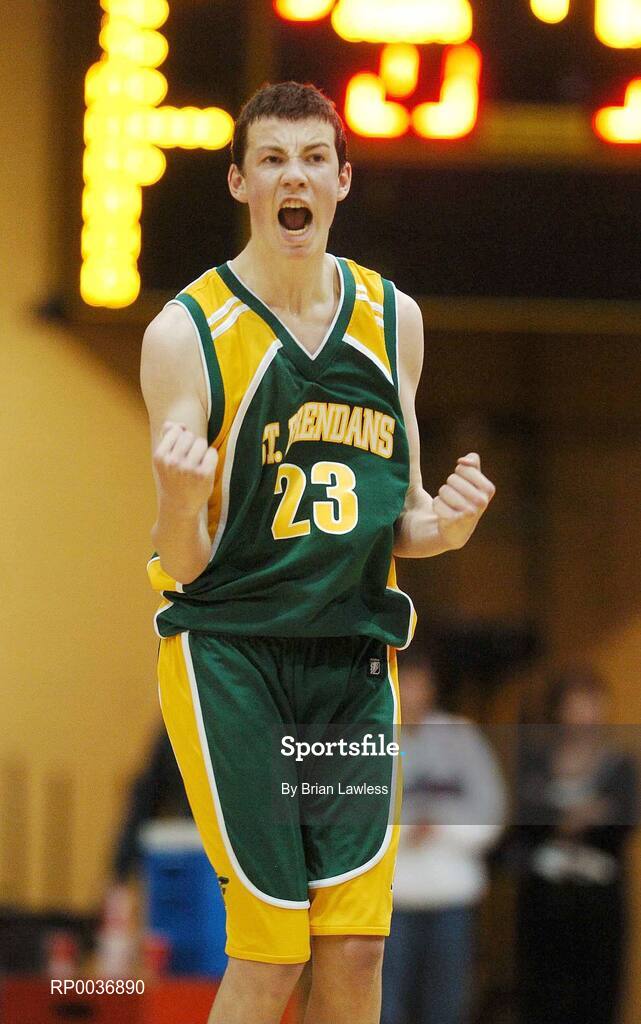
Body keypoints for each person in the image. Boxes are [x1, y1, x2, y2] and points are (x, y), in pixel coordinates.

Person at [140, 81, 496, 1024]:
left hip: (348, 663)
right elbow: (181, 562)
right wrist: (180, 496)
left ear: (340, 179)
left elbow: (406, 520)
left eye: (310, 158)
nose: (291, 175)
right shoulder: (187, 333)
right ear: (239, 183)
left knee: (357, 946)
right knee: (271, 950)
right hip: (232, 657)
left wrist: (446, 526)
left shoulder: (393, 321)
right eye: (270, 159)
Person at [381, 647, 506, 1024]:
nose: (413, 692)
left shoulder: (461, 737)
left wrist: (442, 828)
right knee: (386, 1007)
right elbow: (352, 814)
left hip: (452, 897)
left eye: (421, 683)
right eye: (406, 682)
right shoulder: (369, 737)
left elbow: (492, 811)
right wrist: (405, 832)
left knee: (447, 1006)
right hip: (391, 901)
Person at [513, 665, 638, 1024]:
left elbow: (623, 822)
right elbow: (525, 819)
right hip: (545, 899)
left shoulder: (619, 765)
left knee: (597, 996)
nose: (585, 716)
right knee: (542, 997)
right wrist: (579, 814)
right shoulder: (536, 760)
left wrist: (571, 818)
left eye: (593, 705)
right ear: (558, 711)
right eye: (576, 705)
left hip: (598, 901)